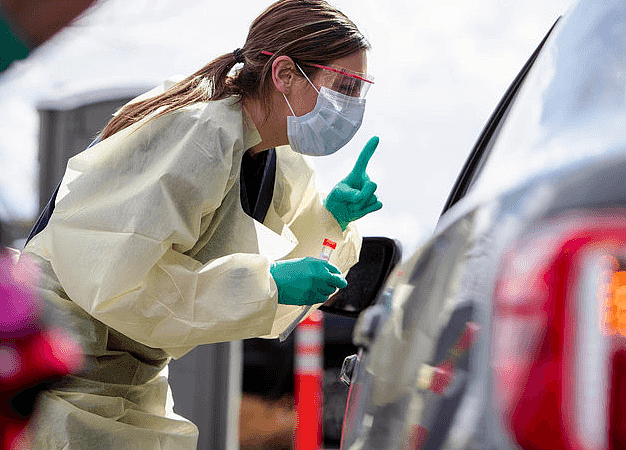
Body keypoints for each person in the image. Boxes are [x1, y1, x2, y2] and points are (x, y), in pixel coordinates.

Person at [22, 0, 381, 448]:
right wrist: (265, 284)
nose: (350, 107)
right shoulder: (199, 133)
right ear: (284, 74)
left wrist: (333, 219)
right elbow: (117, 280)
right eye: (342, 86)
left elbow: (295, 270)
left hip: (124, 376)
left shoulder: (278, 157)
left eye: (359, 90)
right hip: (59, 369)